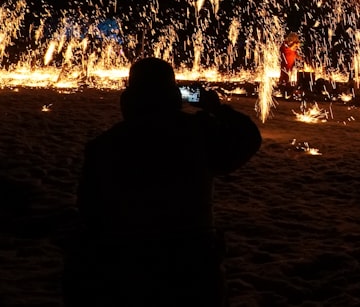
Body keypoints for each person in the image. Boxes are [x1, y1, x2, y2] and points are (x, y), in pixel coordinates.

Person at [63, 57, 262, 306]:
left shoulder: (106, 144)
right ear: (173, 93)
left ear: (130, 96)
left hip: (127, 263)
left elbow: (90, 210)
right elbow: (248, 138)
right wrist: (215, 108)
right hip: (192, 261)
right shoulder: (197, 133)